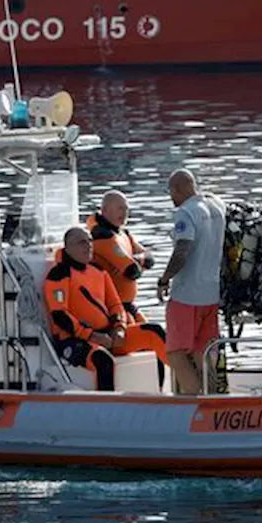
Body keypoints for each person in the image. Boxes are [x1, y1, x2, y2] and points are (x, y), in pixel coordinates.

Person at [44, 226, 167, 391]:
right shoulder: (59, 275)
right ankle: (107, 409)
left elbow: (115, 305)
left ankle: (181, 387)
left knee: (154, 331)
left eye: (89, 241)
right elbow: (60, 315)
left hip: (107, 335)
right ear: (68, 248)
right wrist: (91, 335)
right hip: (75, 340)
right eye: (82, 242)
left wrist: (119, 328)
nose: (88, 246)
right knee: (103, 360)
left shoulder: (99, 271)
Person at [156, 169, 226, 395]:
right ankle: (213, 397)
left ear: (177, 189)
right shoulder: (217, 207)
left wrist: (164, 279)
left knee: (175, 354)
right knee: (203, 352)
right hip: (211, 294)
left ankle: (194, 399)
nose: (171, 198)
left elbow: (182, 250)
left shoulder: (186, 213)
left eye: (171, 192)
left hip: (187, 295)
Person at [87, 190, 155, 322]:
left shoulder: (123, 234)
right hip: (111, 308)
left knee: (154, 333)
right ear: (104, 210)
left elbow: (150, 258)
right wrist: (139, 261)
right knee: (151, 334)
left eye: (126, 209)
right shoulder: (104, 238)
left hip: (127, 303)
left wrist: (137, 260)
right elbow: (132, 271)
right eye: (119, 209)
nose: (124, 213)